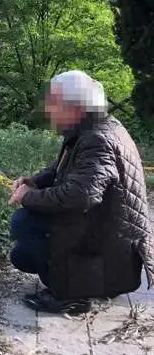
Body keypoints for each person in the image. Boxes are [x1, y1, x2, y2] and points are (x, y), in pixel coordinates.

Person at [8, 70, 154, 314]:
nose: (49, 110)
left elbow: (80, 195)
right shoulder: (92, 129)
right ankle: (75, 281)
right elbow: (62, 170)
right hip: (106, 240)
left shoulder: (97, 139)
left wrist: (28, 197)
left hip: (110, 258)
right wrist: (34, 181)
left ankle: (72, 295)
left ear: (77, 108)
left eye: (54, 104)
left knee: (24, 222)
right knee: (21, 255)